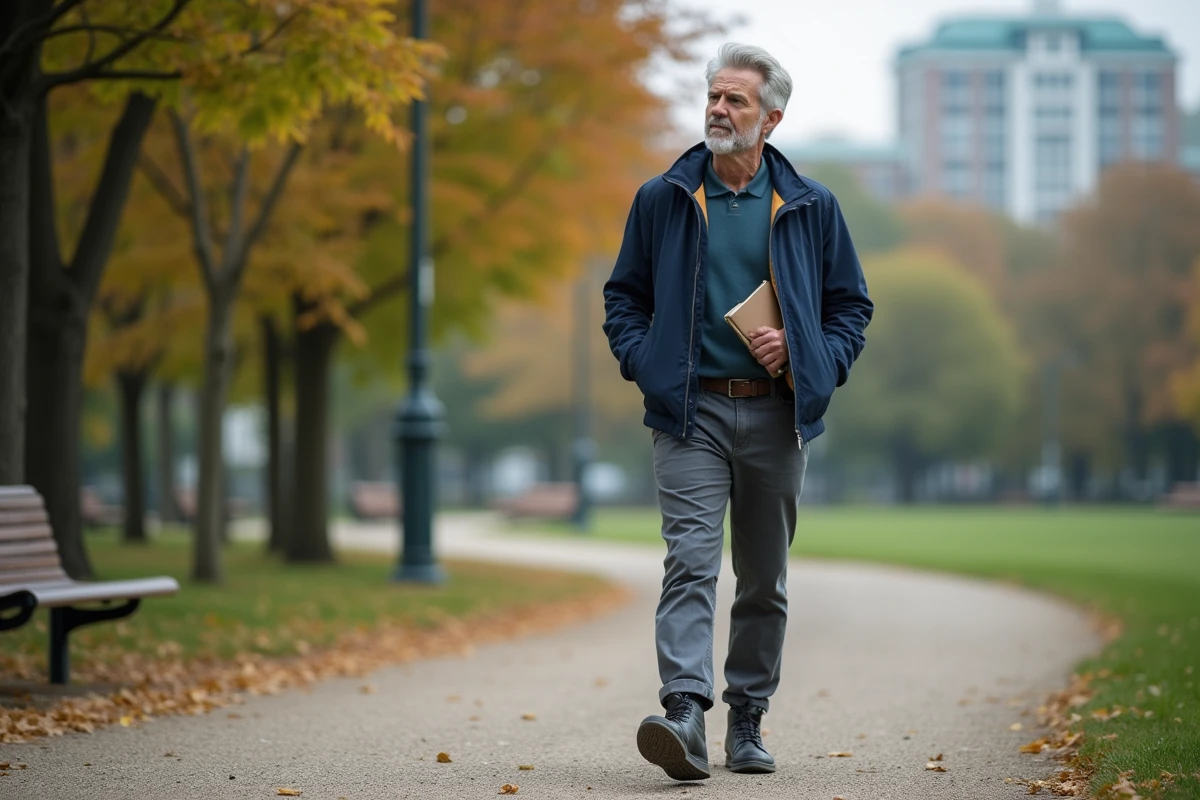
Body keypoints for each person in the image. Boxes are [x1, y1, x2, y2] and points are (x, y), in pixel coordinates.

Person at [602, 42, 873, 781]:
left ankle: (747, 718)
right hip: (689, 415)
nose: (719, 110)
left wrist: (810, 354)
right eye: (714, 96)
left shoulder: (812, 207)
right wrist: (646, 362)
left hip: (776, 416)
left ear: (771, 118)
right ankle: (685, 713)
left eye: (737, 101)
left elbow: (852, 306)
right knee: (690, 561)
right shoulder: (665, 197)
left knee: (762, 578)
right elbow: (623, 296)